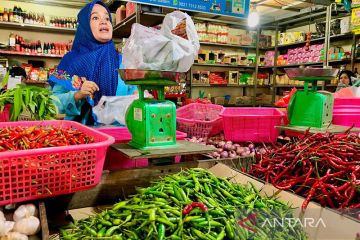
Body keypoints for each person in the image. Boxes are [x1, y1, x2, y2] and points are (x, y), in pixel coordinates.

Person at [49, 0, 136, 124]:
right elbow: (53, 102)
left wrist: (140, 96)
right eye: (95, 17)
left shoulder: (123, 61)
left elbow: (133, 92)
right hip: (83, 135)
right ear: (85, 26)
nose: (104, 21)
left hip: (119, 135)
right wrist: (77, 95)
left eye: (107, 18)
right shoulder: (71, 61)